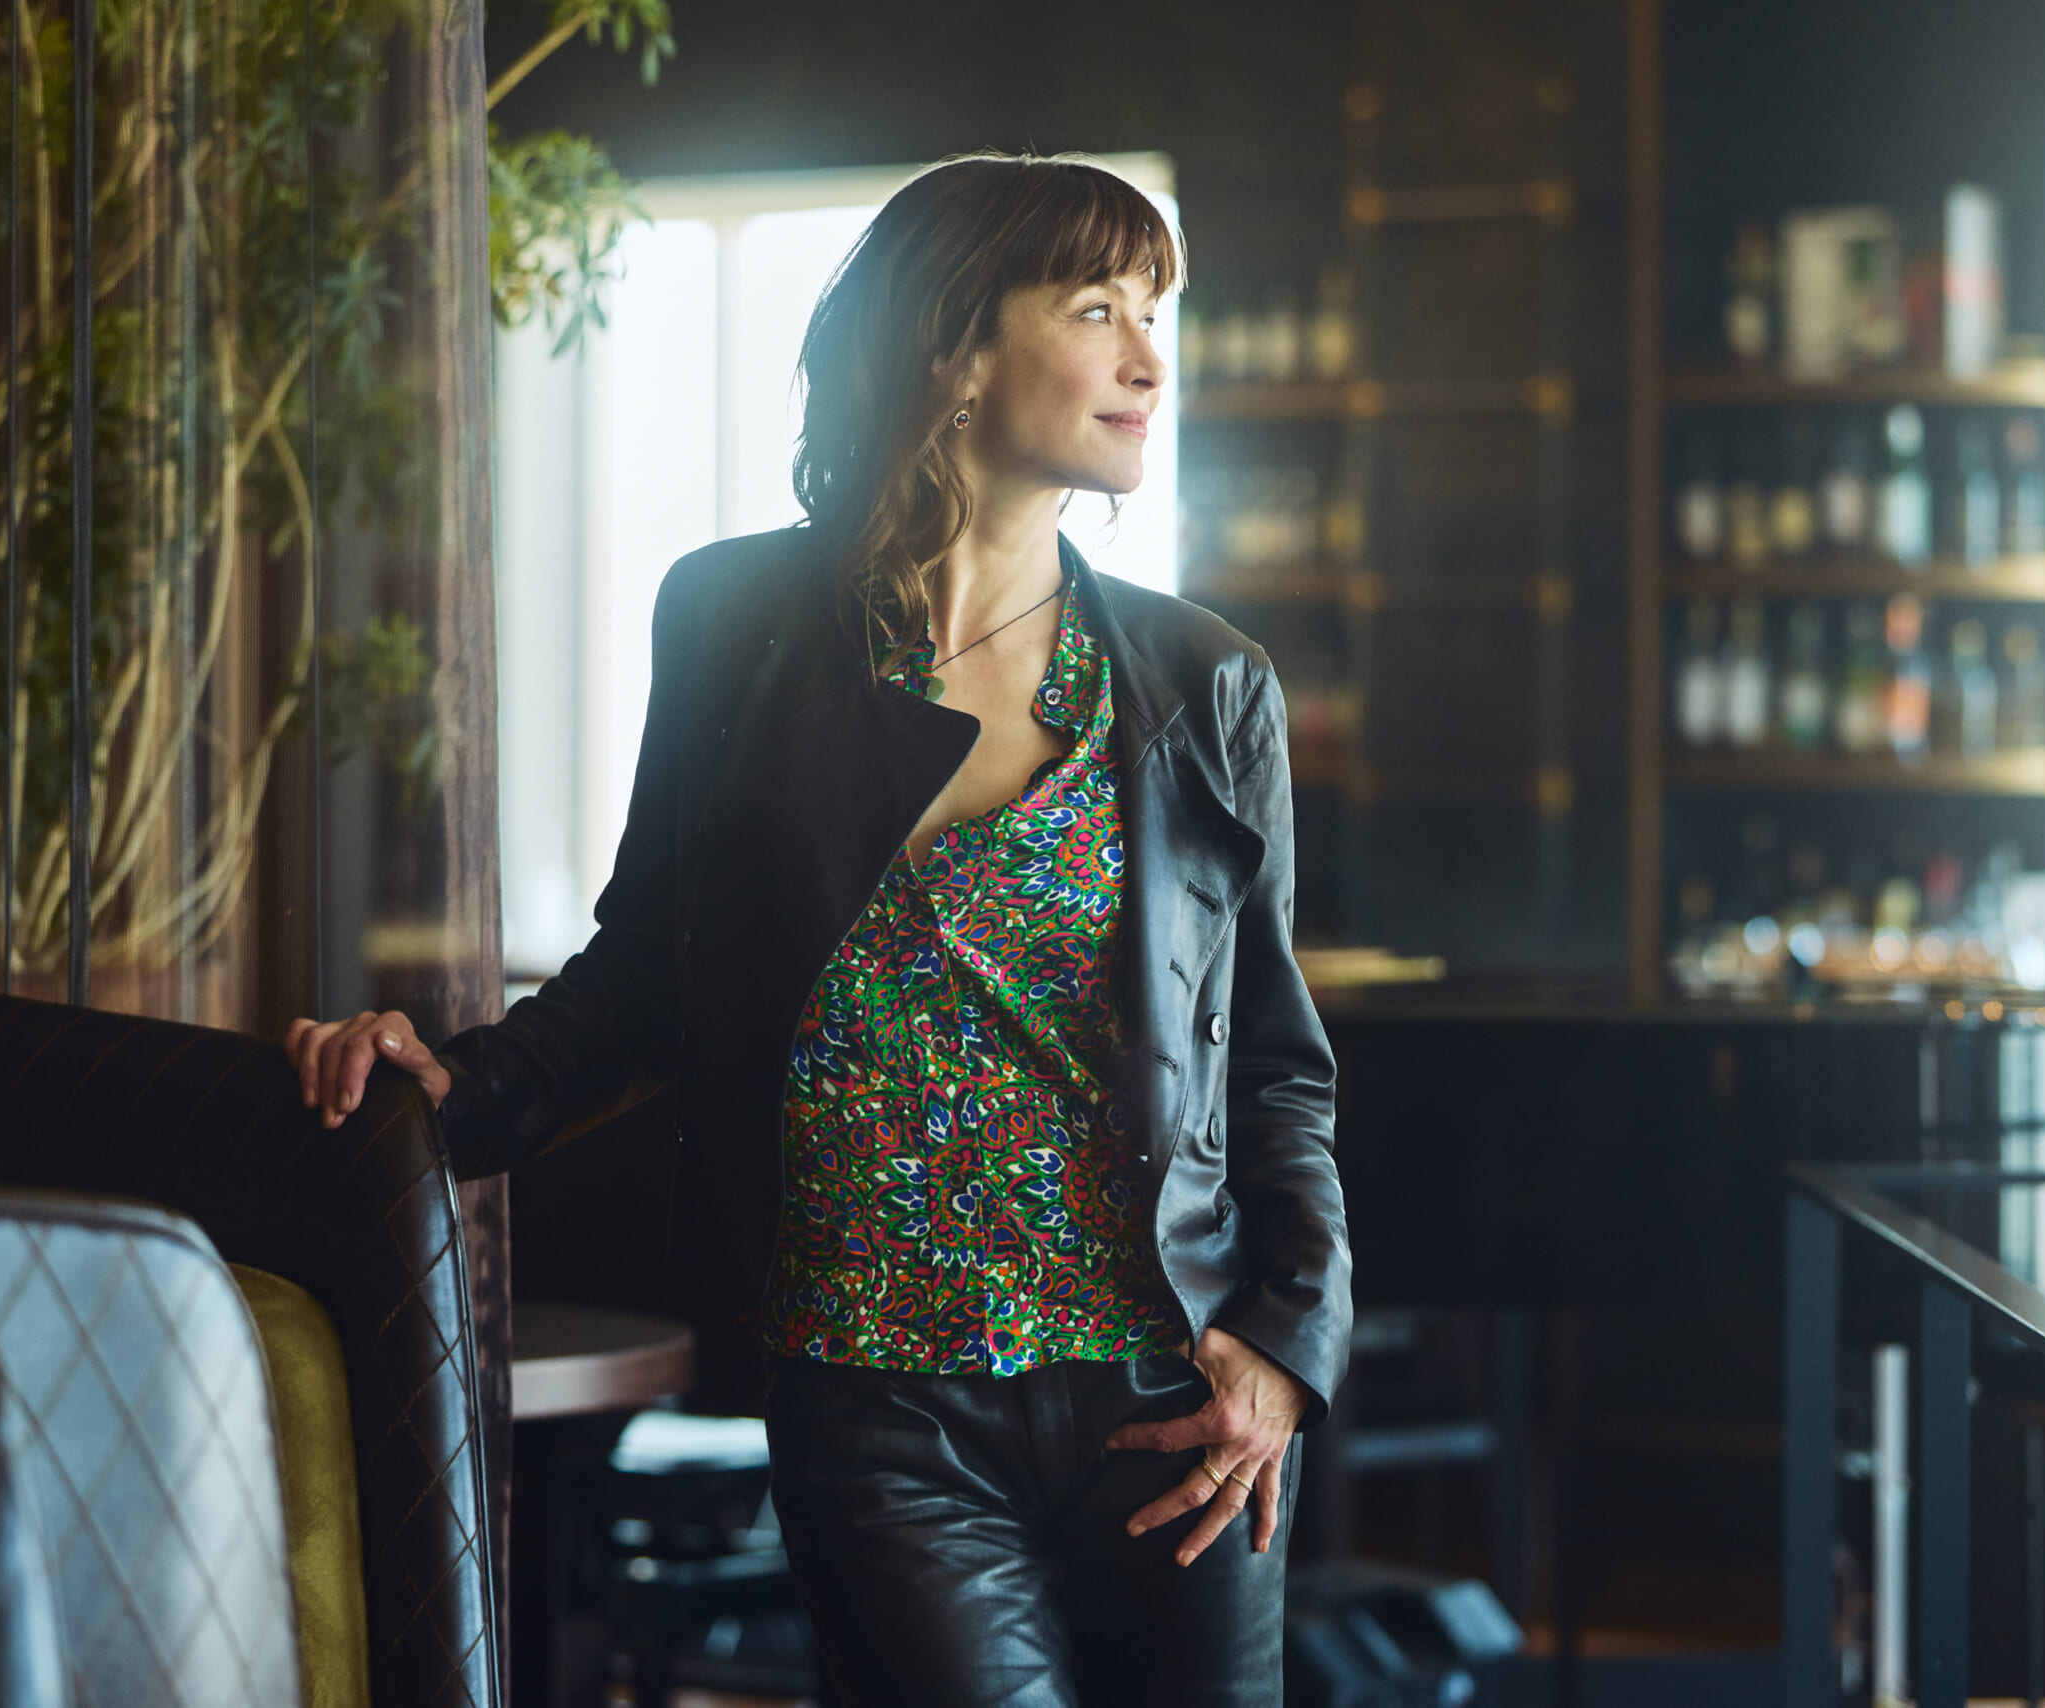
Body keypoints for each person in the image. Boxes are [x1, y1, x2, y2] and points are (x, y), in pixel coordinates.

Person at [284, 152, 1350, 1707]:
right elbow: (647, 974)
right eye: (1101, 307)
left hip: (1170, 1400)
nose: (1148, 360)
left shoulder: (1201, 683)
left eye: (1157, 313)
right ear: (955, 347)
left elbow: (1276, 1070)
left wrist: (1285, 1349)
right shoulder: (734, 628)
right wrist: (446, 1088)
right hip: (875, 1407)